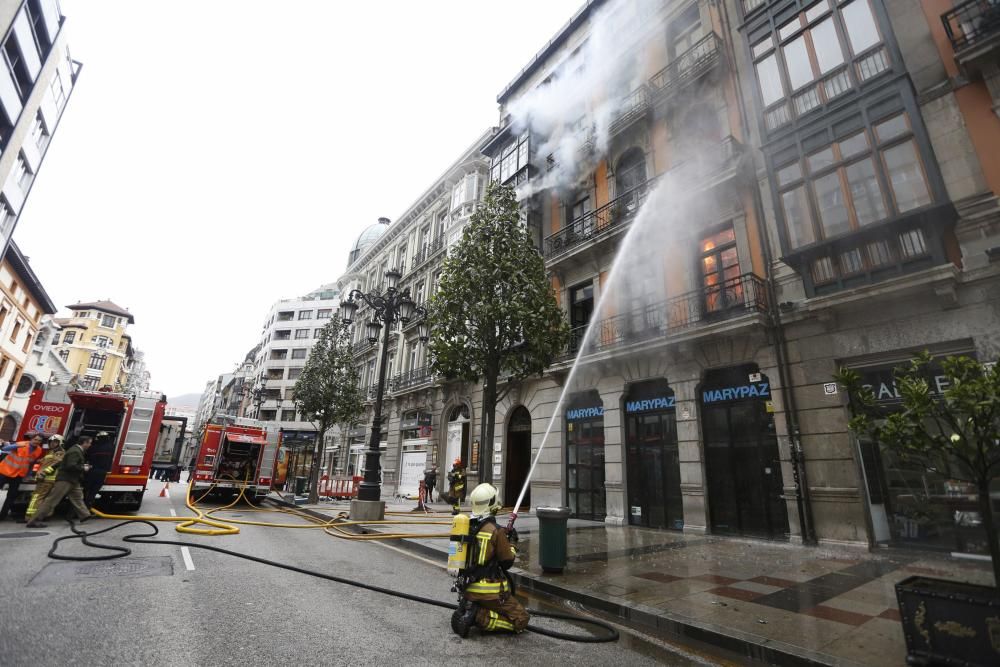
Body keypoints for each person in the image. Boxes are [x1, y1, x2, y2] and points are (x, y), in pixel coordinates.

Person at [451, 483, 529, 637]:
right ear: (492, 503)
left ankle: (470, 606)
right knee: (521, 620)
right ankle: (480, 616)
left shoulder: (466, 526)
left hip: (467, 588)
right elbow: (507, 562)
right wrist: (512, 542)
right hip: (490, 593)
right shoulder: (496, 531)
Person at [26, 436, 94, 528]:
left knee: (78, 497)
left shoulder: (77, 450)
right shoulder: (75, 451)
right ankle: (34, 521)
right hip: (66, 480)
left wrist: (82, 466)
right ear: (84, 442)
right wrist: (83, 468)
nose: (90, 445)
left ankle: (85, 515)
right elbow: (70, 466)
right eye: (89, 443)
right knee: (52, 500)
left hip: (73, 479)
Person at [0, 433, 46, 521]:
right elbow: (4, 448)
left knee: (11, 496)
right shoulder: (22, 444)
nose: (37, 442)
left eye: (39, 441)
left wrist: (28, 475)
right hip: (4, 472)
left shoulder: (38, 450)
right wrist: (15, 446)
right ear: (31, 439)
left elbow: (30, 463)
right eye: (35, 439)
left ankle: (2, 516)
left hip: (18, 475)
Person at [24, 435, 66, 523]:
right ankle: (31, 517)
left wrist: (44, 472)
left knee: (39, 498)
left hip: (48, 479)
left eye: (55, 442)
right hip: (43, 478)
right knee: (37, 497)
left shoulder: (60, 452)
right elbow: (45, 462)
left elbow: (56, 464)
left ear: (60, 443)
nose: (52, 443)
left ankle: (34, 517)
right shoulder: (51, 452)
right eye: (51, 442)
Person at [83, 431, 114, 508]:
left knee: (86, 490)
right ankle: (88, 507)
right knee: (93, 492)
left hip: (92, 471)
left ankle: (80, 508)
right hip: (102, 473)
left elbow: (86, 456)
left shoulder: (93, 447)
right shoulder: (111, 447)